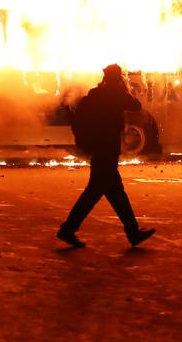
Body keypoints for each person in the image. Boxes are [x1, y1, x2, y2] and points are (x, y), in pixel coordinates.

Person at [57, 64, 156, 248]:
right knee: (101, 194)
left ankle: (131, 232)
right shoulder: (115, 93)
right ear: (117, 78)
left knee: (109, 193)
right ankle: (69, 229)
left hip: (99, 148)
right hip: (107, 150)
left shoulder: (96, 93)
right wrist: (123, 89)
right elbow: (136, 105)